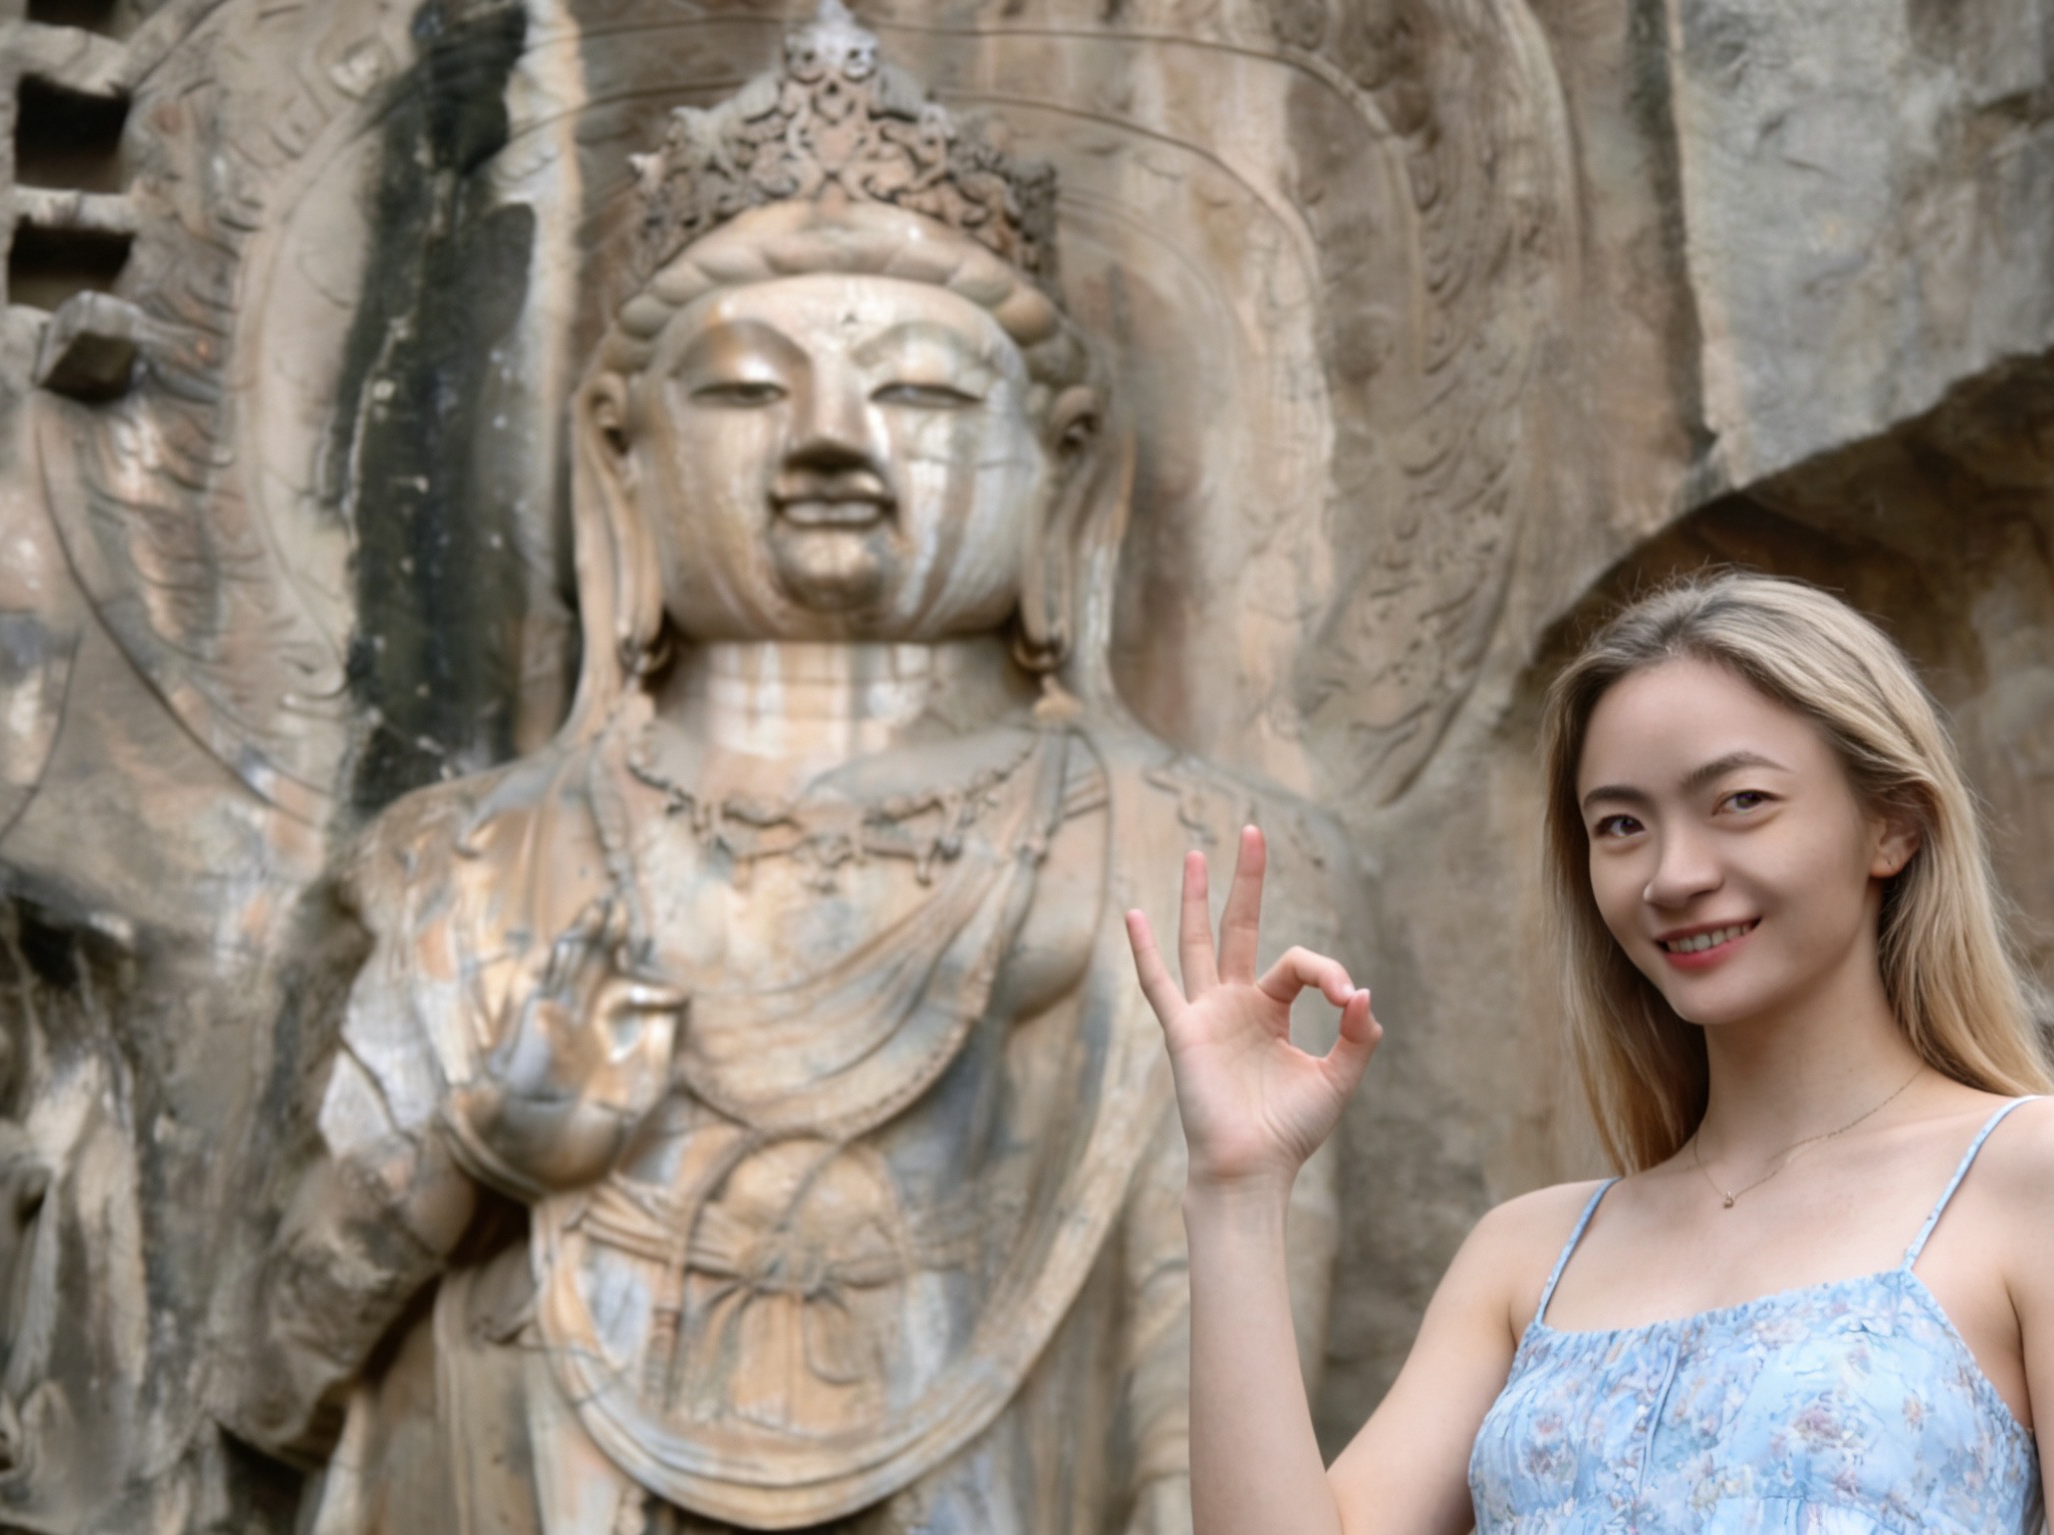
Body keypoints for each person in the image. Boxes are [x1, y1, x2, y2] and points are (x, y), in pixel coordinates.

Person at [223, 7, 1360, 1532]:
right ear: (620, 450)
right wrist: (469, 1147)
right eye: (748, 391)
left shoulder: (1197, 851)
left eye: (921, 394)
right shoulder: (469, 861)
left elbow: (1204, 1389)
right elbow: (269, 1381)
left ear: (1063, 460)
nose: (829, 441)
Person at [1127, 572, 2054, 1533]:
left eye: (1740, 801)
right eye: (1619, 825)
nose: (1672, 875)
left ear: (1892, 825)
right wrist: (1236, 1184)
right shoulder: (1525, 1254)